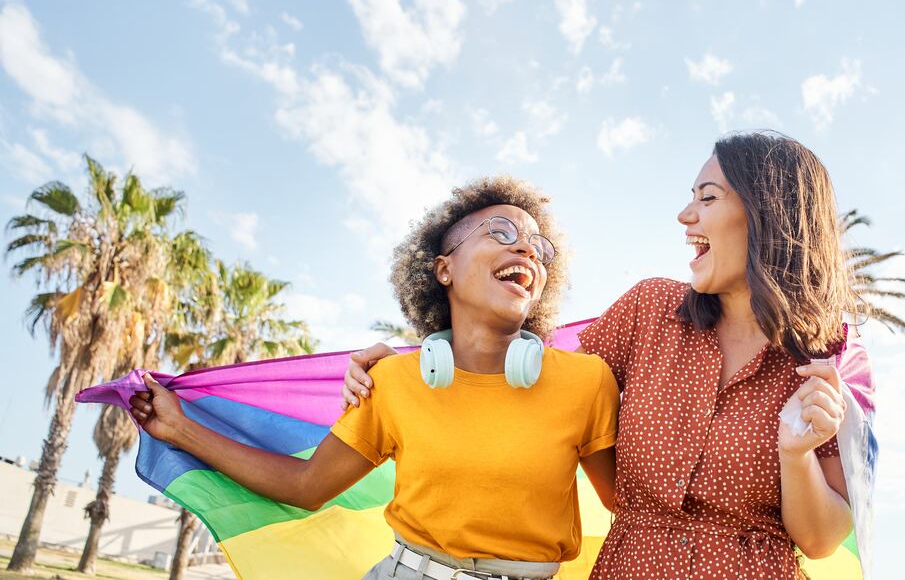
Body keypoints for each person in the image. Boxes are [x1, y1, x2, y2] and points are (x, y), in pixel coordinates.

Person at [345, 132, 857, 579]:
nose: (685, 215)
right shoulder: (649, 311)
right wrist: (415, 361)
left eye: (708, 197)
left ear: (767, 211)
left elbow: (820, 540)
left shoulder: (822, 359)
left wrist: (796, 454)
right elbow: (529, 376)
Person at [131, 176, 619, 580]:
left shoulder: (587, 381)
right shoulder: (391, 380)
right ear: (443, 269)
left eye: (539, 247)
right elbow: (306, 486)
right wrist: (178, 429)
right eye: (502, 232)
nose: (528, 252)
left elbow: (633, 507)